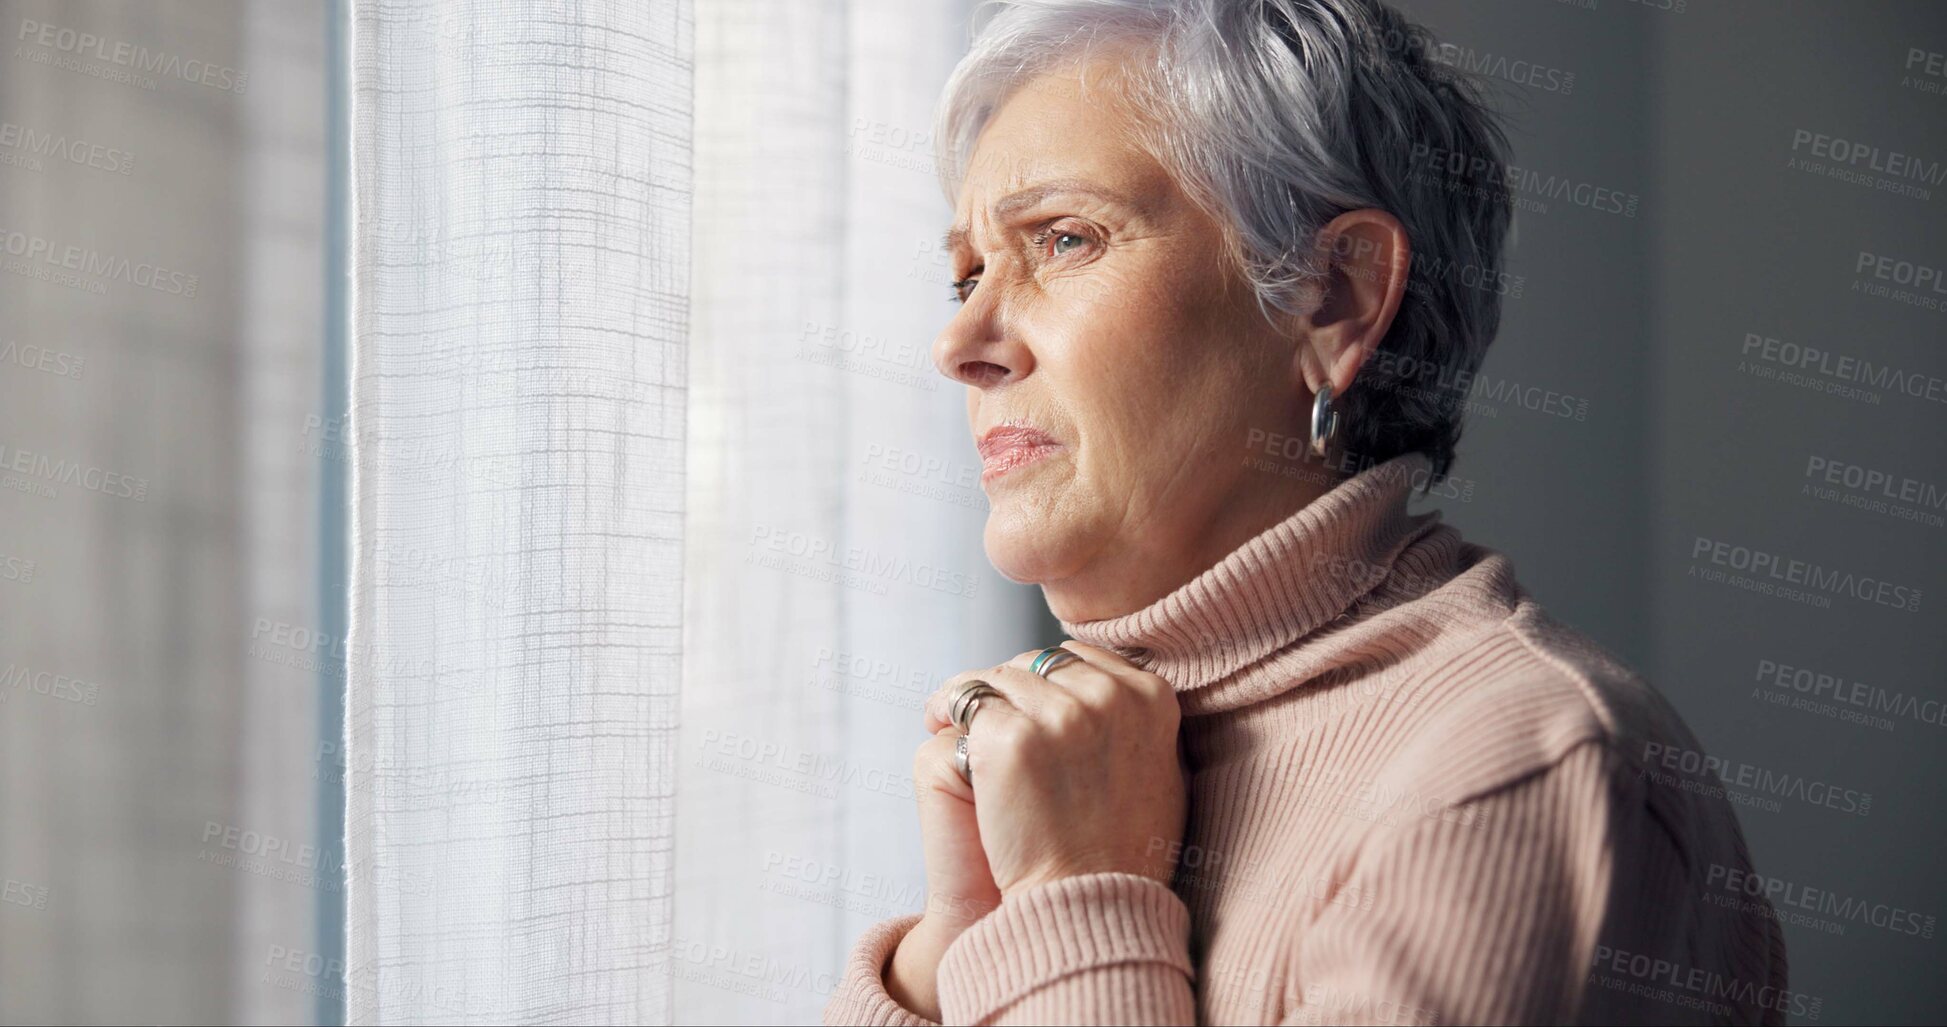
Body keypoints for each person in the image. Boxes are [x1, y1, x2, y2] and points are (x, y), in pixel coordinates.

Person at [824, 1, 1790, 1022]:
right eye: (966, 274)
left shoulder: (1514, 770)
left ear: (1332, 296)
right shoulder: (1055, 766)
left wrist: (1073, 905)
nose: (961, 341)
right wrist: (951, 953)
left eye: (1064, 239)